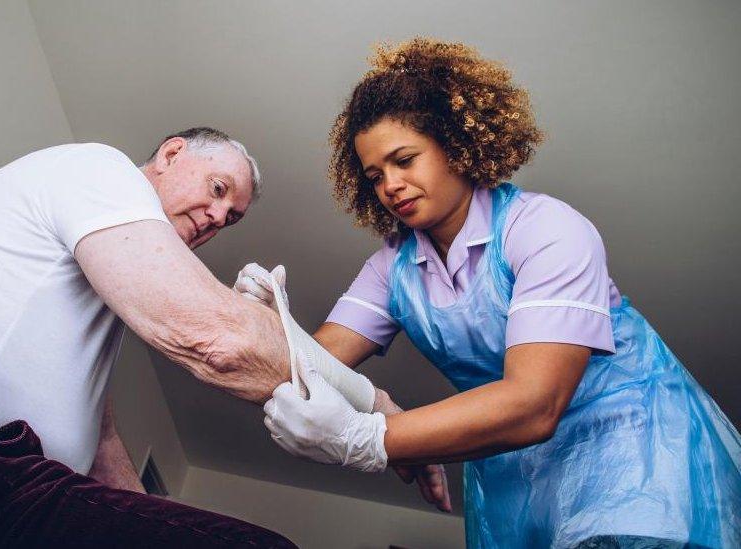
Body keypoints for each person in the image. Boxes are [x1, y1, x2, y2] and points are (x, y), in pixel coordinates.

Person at [240, 39, 741, 548]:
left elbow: (535, 402)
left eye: (405, 160)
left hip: (632, 451)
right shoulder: (391, 267)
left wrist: (374, 439)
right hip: (513, 479)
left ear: (456, 144)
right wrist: (264, 323)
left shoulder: (546, 228)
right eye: (375, 176)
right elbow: (315, 366)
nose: (391, 184)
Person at [0, 128, 308, 547]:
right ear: (171, 154)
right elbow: (216, 340)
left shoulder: (107, 281)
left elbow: (101, 435)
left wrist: (146, 509)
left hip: (26, 483)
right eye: (218, 188)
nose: (219, 216)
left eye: (232, 216)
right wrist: (361, 422)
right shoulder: (102, 168)